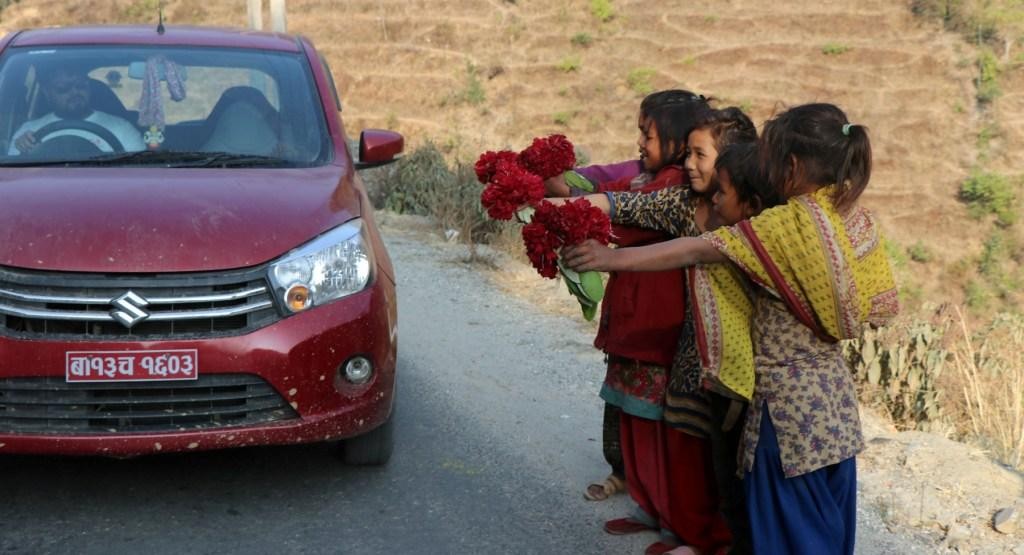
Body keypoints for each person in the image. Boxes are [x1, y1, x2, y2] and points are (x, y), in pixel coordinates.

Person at [563, 103, 900, 555]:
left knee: (789, 538)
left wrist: (607, 259)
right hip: (835, 409)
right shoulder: (853, 219)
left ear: (793, 166)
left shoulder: (782, 226)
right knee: (829, 534)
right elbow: (878, 308)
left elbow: (695, 250)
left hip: (788, 419)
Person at [558, 90, 707, 505]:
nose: (640, 143)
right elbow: (610, 194)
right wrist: (559, 198)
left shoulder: (675, 188)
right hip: (630, 315)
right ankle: (627, 476)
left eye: (650, 136)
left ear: (677, 143)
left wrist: (574, 220)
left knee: (647, 411)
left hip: (655, 323)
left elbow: (624, 219)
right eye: (641, 133)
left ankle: (650, 489)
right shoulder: (642, 178)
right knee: (622, 401)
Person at [9, 66, 145, 155]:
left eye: (80, 85)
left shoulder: (121, 129)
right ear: (47, 93)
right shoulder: (28, 134)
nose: (75, 92)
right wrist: (23, 150)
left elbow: (139, 176)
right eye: (64, 88)